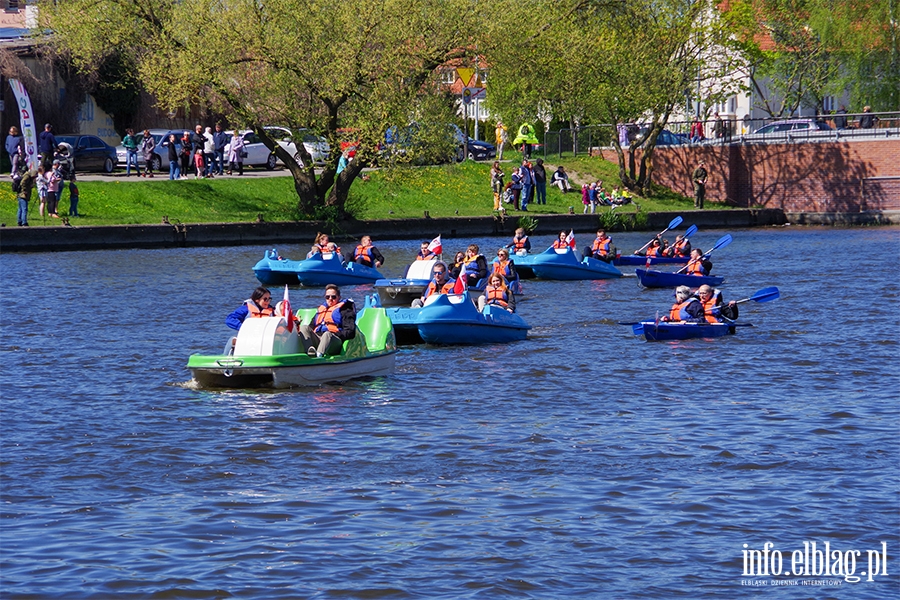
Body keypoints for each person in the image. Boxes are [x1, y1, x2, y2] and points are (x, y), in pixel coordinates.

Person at [298, 284, 356, 357]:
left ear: (339, 297)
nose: (330, 299)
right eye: (327, 297)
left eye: (333, 297)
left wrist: (335, 334)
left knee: (327, 334)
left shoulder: (345, 310)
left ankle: (319, 356)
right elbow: (311, 327)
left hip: (334, 341)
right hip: (319, 338)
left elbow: (350, 332)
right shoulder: (321, 310)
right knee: (304, 328)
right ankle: (309, 352)